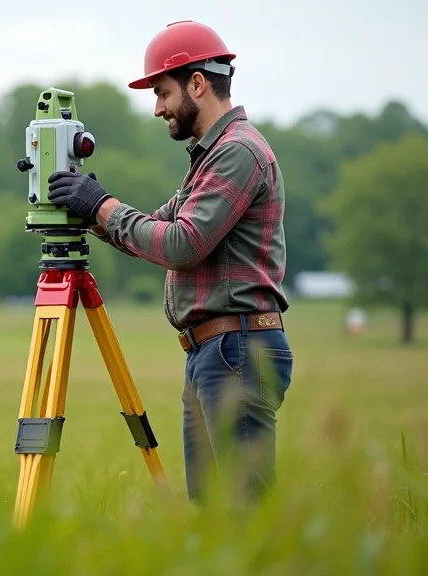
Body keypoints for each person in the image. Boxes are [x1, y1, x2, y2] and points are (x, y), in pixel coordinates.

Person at [46, 20, 293, 504]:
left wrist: (102, 204)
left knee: (246, 513)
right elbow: (159, 227)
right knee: (211, 513)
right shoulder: (210, 156)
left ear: (197, 83)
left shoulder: (238, 152)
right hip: (215, 350)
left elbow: (181, 244)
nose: (158, 108)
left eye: (162, 93)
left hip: (237, 349)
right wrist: (92, 213)